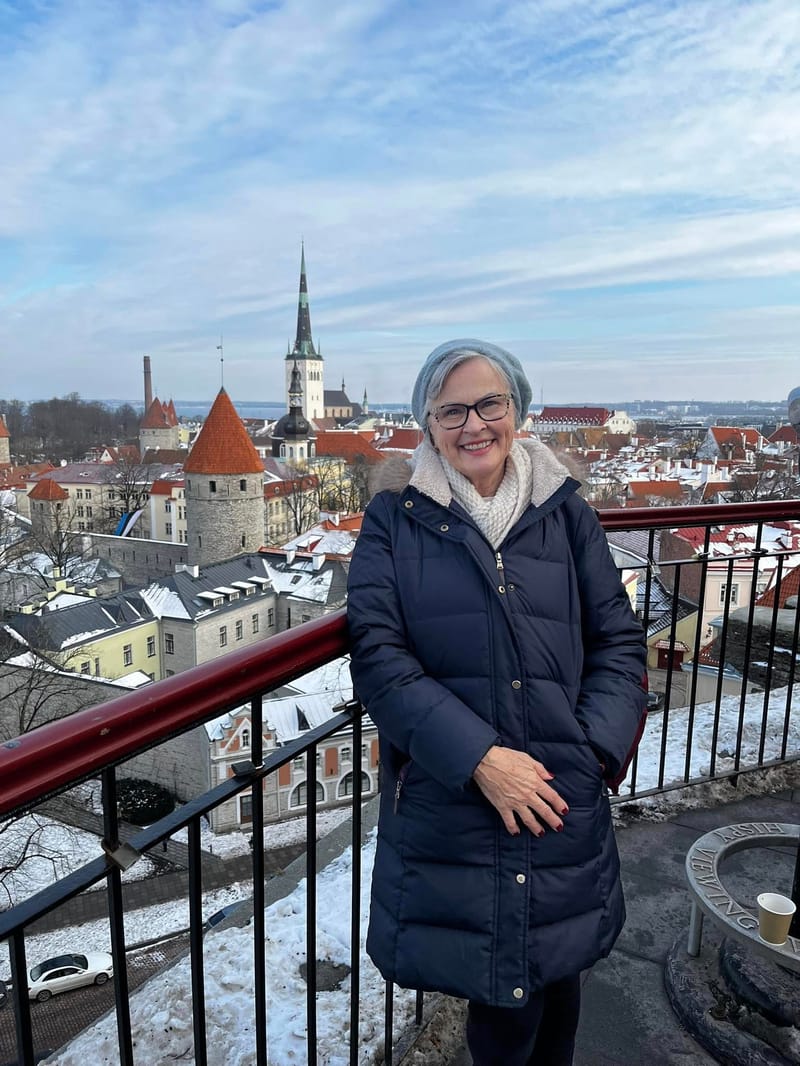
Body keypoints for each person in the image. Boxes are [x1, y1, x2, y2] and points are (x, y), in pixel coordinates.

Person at [346, 340, 648, 1066]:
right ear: (427, 423)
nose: (474, 424)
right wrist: (480, 760)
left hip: (560, 790)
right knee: (503, 1011)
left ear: (517, 408)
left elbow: (618, 641)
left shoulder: (565, 512)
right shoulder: (393, 517)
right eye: (451, 410)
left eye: (489, 404)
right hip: (459, 800)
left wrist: (591, 752)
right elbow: (380, 659)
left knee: (561, 987)